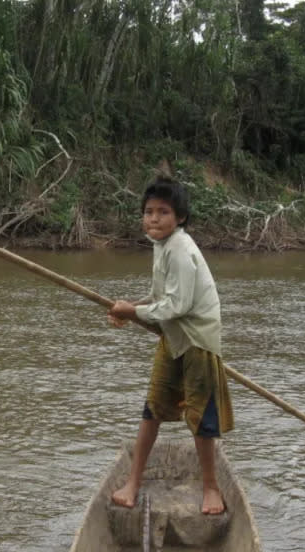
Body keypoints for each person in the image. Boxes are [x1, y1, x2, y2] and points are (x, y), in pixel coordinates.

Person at [108, 177, 234, 515]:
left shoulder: (180, 248)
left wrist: (133, 311)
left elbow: (177, 305)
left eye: (163, 212)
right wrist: (132, 308)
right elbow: (161, 298)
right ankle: (133, 481)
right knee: (153, 408)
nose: (153, 219)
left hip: (197, 341)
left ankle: (210, 487)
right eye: (148, 212)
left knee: (201, 417)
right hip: (173, 337)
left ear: (179, 218)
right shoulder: (161, 246)